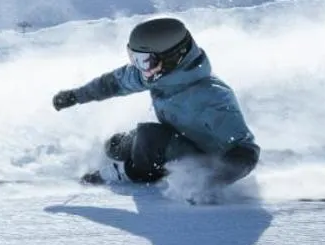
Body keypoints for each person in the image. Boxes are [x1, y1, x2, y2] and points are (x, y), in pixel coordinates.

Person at [52, 17, 259, 188]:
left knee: (149, 137)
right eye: (135, 58)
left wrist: (210, 181)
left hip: (200, 160)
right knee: (115, 146)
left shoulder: (211, 97)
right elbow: (114, 83)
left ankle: (127, 174)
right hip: (175, 138)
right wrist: (76, 96)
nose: (139, 67)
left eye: (145, 61)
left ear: (173, 58)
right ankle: (137, 161)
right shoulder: (156, 74)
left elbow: (245, 150)